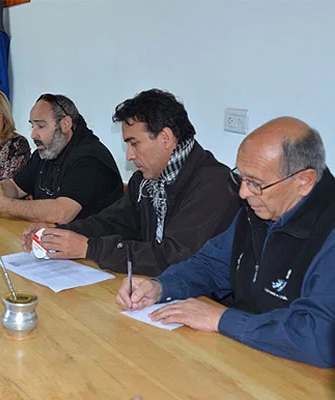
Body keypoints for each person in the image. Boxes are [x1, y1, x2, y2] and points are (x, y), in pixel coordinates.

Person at [115, 117, 334, 368]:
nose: (243, 193)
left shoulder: (329, 231)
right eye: (241, 177)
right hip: (247, 357)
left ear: (304, 181)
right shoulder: (259, 209)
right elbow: (211, 265)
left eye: (256, 183)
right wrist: (160, 287)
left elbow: (320, 337)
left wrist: (222, 320)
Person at [21, 89, 240, 274]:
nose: (129, 156)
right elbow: (114, 222)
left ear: (165, 137)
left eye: (134, 143)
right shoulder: (144, 180)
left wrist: (89, 248)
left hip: (203, 304)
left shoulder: (214, 185)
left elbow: (174, 257)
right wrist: (60, 232)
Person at [0, 93, 123, 224]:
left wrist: (2, 205)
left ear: (65, 124)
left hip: (94, 255)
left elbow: (62, 213)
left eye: (40, 126)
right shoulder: (47, 150)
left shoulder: (89, 158)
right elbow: (16, 187)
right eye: (32, 126)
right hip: (52, 243)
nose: (33, 135)